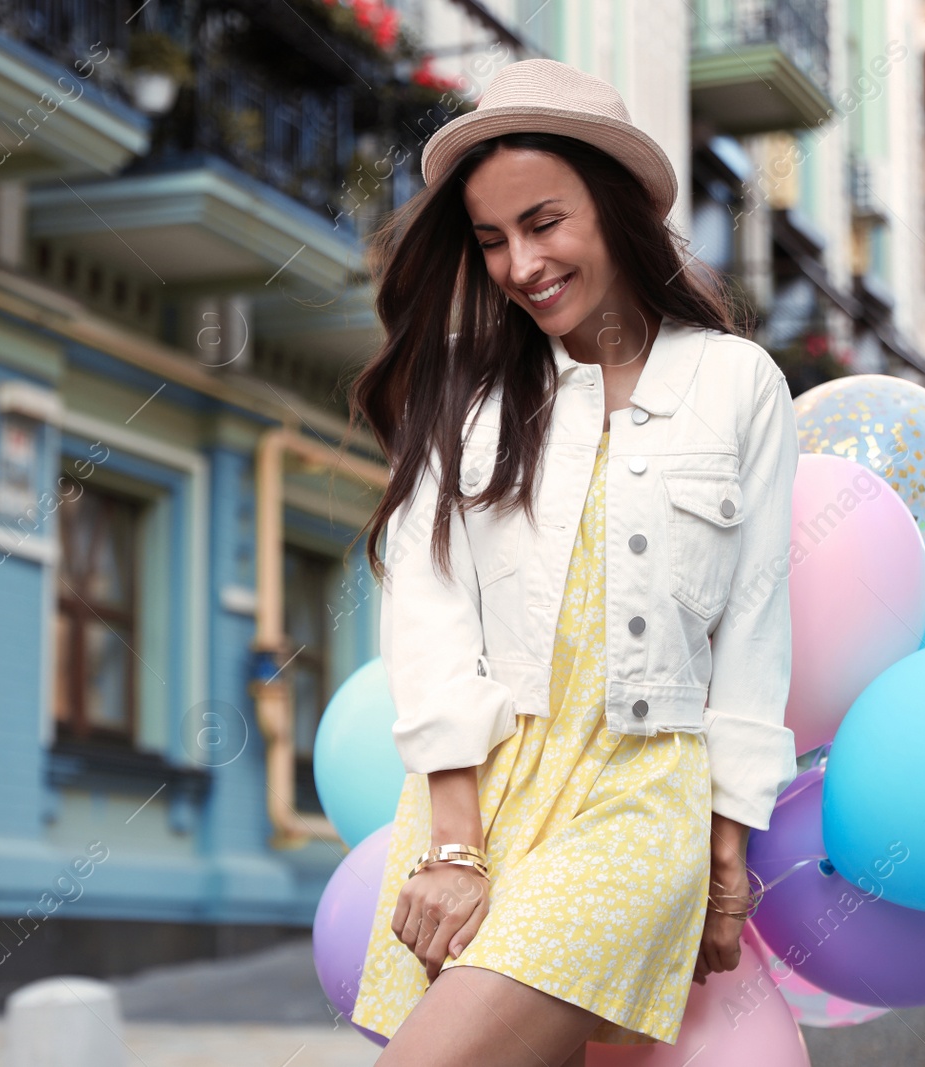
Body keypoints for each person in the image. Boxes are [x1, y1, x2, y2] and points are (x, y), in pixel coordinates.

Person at [344, 58, 800, 1067]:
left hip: (638, 800)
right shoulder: (470, 401)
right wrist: (453, 844)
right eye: (492, 239)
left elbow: (755, 630)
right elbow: (424, 616)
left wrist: (726, 862)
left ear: (616, 208)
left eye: (543, 222)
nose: (518, 264)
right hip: (479, 798)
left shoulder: (738, 384)